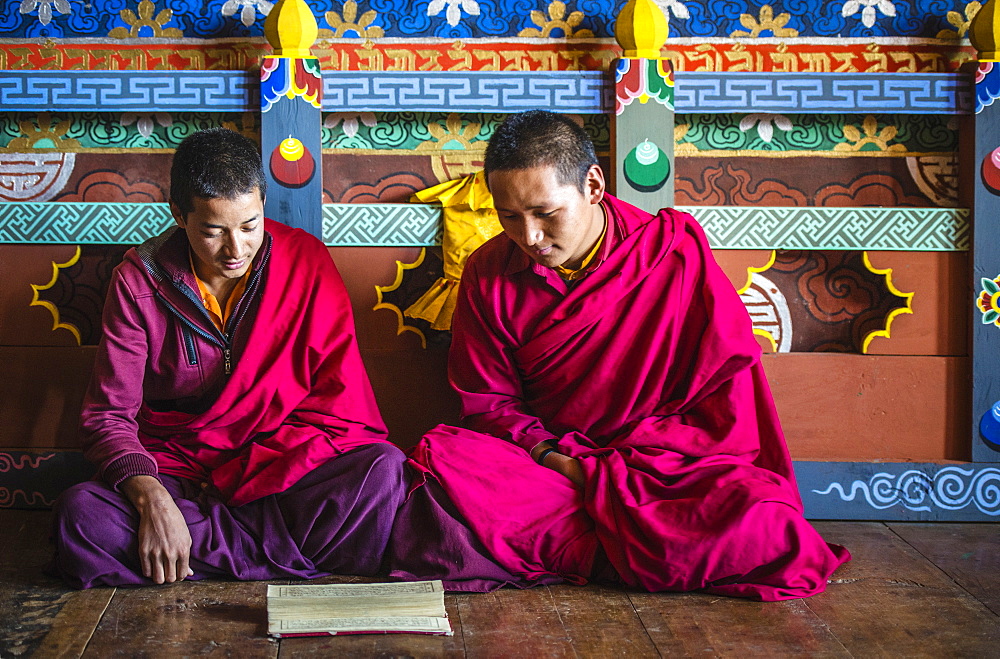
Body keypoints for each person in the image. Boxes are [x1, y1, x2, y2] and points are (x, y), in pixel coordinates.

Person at [389, 110, 850, 600]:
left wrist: (623, 470)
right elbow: (489, 403)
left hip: (664, 465)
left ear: (592, 185)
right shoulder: (489, 271)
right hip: (552, 463)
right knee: (449, 460)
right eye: (509, 217)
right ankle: (644, 552)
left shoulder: (670, 254)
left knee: (765, 522)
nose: (530, 238)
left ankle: (590, 548)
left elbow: (725, 405)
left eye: (545, 213)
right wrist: (555, 457)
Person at [50, 127, 406, 589]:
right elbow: (108, 417)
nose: (235, 250)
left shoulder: (305, 262)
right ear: (178, 214)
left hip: (277, 466)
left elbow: (340, 405)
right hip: (180, 467)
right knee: (80, 517)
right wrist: (152, 499)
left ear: (261, 204)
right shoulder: (138, 284)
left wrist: (243, 476)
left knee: (381, 470)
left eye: (249, 226)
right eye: (214, 231)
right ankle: (286, 556)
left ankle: (194, 554)